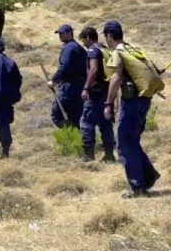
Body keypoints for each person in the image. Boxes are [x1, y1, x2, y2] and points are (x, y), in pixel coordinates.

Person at [103, 20, 160, 198]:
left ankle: (138, 186)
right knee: (132, 140)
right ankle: (148, 176)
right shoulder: (131, 49)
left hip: (131, 102)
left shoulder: (118, 52)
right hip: (144, 100)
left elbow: (115, 78)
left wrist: (108, 103)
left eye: (106, 37)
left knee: (125, 144)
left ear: (109, 36)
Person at [79, 27, 115, 162]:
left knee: (87, 122)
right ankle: (109, 155)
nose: (83, 43)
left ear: (88, 37)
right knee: (105, 123)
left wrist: (86, 88)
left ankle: (88, 155)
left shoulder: (93, 50)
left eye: (83, 39)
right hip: (106, 91)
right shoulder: (103, 48)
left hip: (95, 92)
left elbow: (93, 69)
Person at [48, 24, 87, 128]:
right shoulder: (79, 48)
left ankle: (69, 136)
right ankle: (77, 141)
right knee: (76, 118)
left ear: (69, 33)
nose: (60, 35)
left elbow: (64, 67)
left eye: (62, 33)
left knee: (56, 115)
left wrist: (53, 80)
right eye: (59, 33)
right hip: (79, 87)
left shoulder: (69, 47)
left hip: (69, 88)